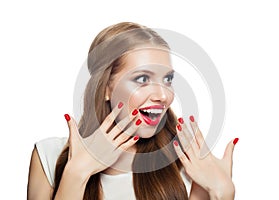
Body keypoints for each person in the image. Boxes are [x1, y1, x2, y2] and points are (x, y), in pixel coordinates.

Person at [27, 22, 238, 200]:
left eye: (168, 79)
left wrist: (223, 193)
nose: (163, 96)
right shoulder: (49, 155)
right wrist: (77, 172)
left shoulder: (189, 164)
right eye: (143, 79)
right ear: (106, 88)